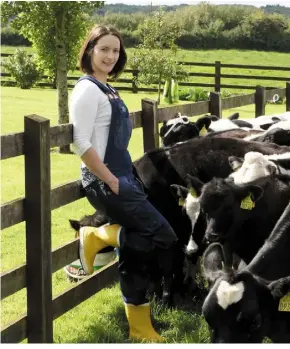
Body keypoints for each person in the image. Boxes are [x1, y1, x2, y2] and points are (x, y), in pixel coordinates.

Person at [69, 25, 177, 342]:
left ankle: (139, 326)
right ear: (89, 50)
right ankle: (96, 234)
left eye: (115, 51)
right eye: (104, 49)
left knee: (140, 243)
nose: (110, 56)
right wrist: (112, 180)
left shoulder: (108, 89)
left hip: (123, 178)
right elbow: (80, 143)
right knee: (164, 236)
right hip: (106, 182)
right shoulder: (87, 90)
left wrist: (126, 177)